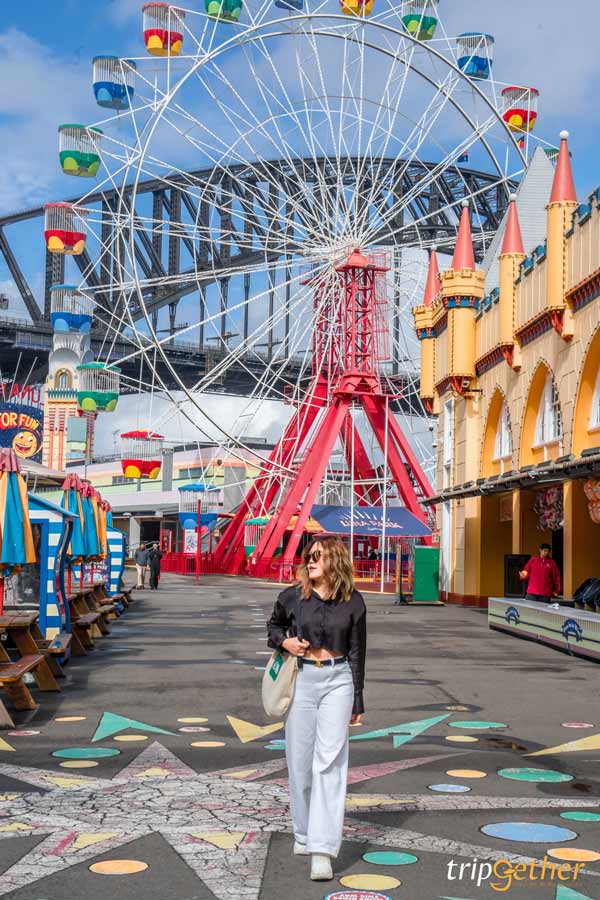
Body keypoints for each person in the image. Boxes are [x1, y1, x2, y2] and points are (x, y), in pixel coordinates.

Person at [267, 537, 366, 882]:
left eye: (318, 557)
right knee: (300, 760)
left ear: (335, 561)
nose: (310, 561)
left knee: (330, 761)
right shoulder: (293, 595)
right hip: (303, 680)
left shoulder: (354, 602)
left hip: (338, 679)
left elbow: (357, 652)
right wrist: (286, 641)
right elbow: (274, 626)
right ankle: (304, 832)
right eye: (308, 556)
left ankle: (322, 849)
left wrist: (358, 698)